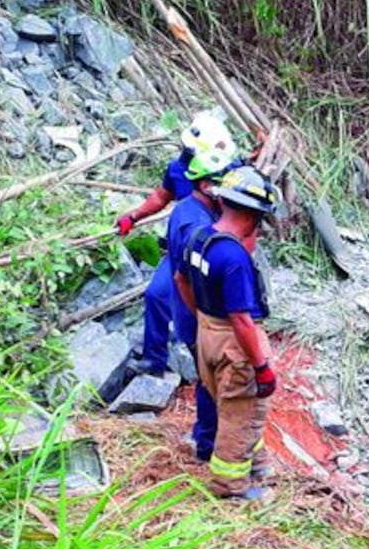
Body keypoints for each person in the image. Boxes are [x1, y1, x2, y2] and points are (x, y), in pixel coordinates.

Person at [175, 166, 280, 499]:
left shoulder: (199, 238)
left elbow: (180, 280)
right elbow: (241, 320)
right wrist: (261, 367)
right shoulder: (234, 257)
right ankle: (230, 487)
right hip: (234, 343)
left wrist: (203, 318)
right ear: (252, 216)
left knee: (241, 408)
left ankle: (256, 463)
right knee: (240, 412)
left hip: (207, 333)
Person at [115, 110, 235, 376]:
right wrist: (133, 216)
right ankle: (154, 360)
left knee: (208, 312)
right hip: (182, 251)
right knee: (156, 295)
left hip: (214, 253)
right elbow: (162, 196)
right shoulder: (180, 168)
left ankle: (215, 366)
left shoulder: (230, 172)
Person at [165, 145, 239, 461]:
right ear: (206, 185)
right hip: (198, 316)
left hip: (191, 313)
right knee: (211, 380)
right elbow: (190, 279)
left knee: (208, 376)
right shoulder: (195, 228)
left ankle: (205, 435)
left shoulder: (187, 210)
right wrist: (208, 320)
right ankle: (208, 444)